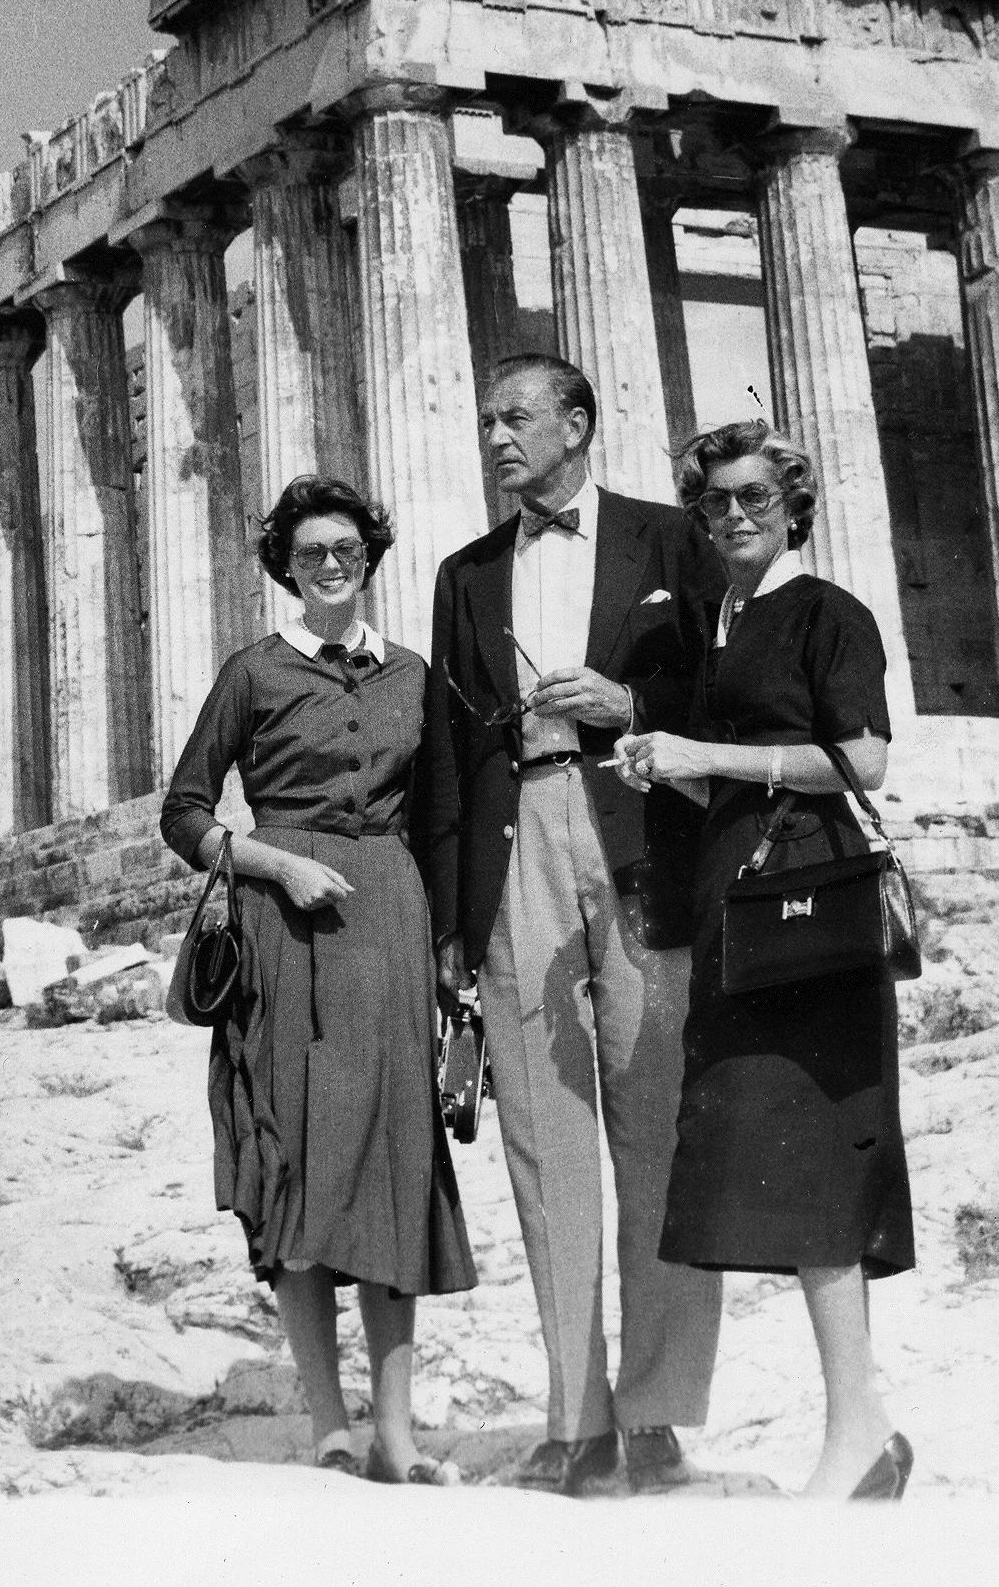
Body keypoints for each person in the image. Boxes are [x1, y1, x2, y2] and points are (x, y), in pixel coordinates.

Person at [422, 355, 726, 1496]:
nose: (498, 438)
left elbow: (725, 691)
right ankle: (576, 1415)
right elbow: (451, 755)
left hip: (643, 825)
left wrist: (632, 705)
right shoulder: (465, 573)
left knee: (657, 1124)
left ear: (578, 423)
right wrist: (455, 916)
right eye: (486, 421)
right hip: (516, 843)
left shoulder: (670, 540)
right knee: (545, 1143)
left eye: (516, 417)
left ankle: (656, 1409)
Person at [614, 420, 915, 1502]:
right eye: (712, 503)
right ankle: (863, 1425)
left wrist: (708, 752)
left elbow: (867, 754)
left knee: (817, 1158)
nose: (732, 515)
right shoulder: (724, 625)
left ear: (793, 502)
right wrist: (671, 766)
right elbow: (737, 774)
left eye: (752, 495)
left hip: (808, 911)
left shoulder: (830, 611)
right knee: (788, 1162)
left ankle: (857, 1430)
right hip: (737, 904)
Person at [161, 474, 476, 1484]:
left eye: (345, 547)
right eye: (310, 554)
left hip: (389, 911)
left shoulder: (413, 673)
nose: (330, 564)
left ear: (370, 555)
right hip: (281, 925)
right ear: (285, 569)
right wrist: (271, 861)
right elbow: (183, 808)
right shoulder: (252, 673)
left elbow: (439, 818)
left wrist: (447, 953)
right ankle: (327, 1424)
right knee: (297, 1157)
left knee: (395, 1160)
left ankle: (397, 1431)